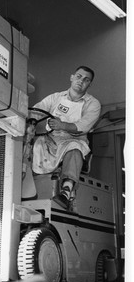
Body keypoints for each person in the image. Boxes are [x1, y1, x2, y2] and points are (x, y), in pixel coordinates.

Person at [31, 66, 101, 208]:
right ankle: (28, 186)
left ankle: (66, 191)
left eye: (86, 80)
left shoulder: (93, 104)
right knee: (34, 144)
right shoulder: (55, 98)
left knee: (74, 149)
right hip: (51, 139)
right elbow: (37, 111)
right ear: (72, 77)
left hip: (75, 140)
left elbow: (83, 126)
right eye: (79, 77)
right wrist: (30, 120)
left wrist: (62, 125)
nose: (81, 81)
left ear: (90, 84)